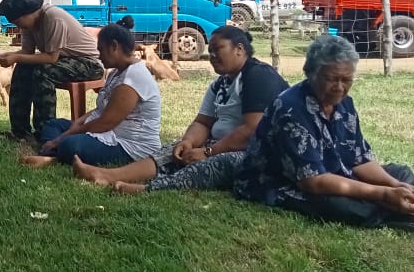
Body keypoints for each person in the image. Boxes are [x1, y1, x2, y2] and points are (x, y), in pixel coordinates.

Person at [233, 34, 414, 235]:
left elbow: (359, 160)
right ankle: (394, 213)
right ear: (311, 73)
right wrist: (382, 193)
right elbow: (313, 182)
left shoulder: (345, 105)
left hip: (335, 173)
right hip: (282, 182)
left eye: (346, 80)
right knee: (339, 205)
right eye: (332, 78)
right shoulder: (290, 109)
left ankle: (388, 205)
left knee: (402, 174)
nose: (339, 87)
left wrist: (393, 184)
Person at [74, 26, 287, 193]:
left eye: (218, 49)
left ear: (239, 49)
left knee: (213, 163)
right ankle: (108, 175)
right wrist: (189, 142)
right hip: (220, 144)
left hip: (261, 152)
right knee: (173, 151)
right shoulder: (220, 83)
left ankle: (148, 189)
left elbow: (251, 130)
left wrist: (208, 152)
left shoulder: (258, 76)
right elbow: (203, 121)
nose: (212, 55)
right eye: (210, 51)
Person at [20, 17, 161, 168]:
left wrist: (61, 139)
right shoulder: (116, 73)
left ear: (114, 46)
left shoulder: (133, 78)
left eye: (101, 50)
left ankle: (53, 157)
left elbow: (105, 123)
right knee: (53, 125)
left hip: (128, 144)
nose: (99, 56)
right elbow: (102, 109)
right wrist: (79, 121)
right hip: (107, 131)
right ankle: (57, 154)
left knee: (70, 144)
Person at [0, 0, 104, 142]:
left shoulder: (53, 17)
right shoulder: (29, 24)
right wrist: (3, 57)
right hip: (63, 61)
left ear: (28, 13)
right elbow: (27, 52)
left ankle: (45, 132)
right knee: (22, 68)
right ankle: (20, 131)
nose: (18, 26)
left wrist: (15, 58)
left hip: (89, 63)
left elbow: (50, 58)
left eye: (18, 22)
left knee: (43, 71)